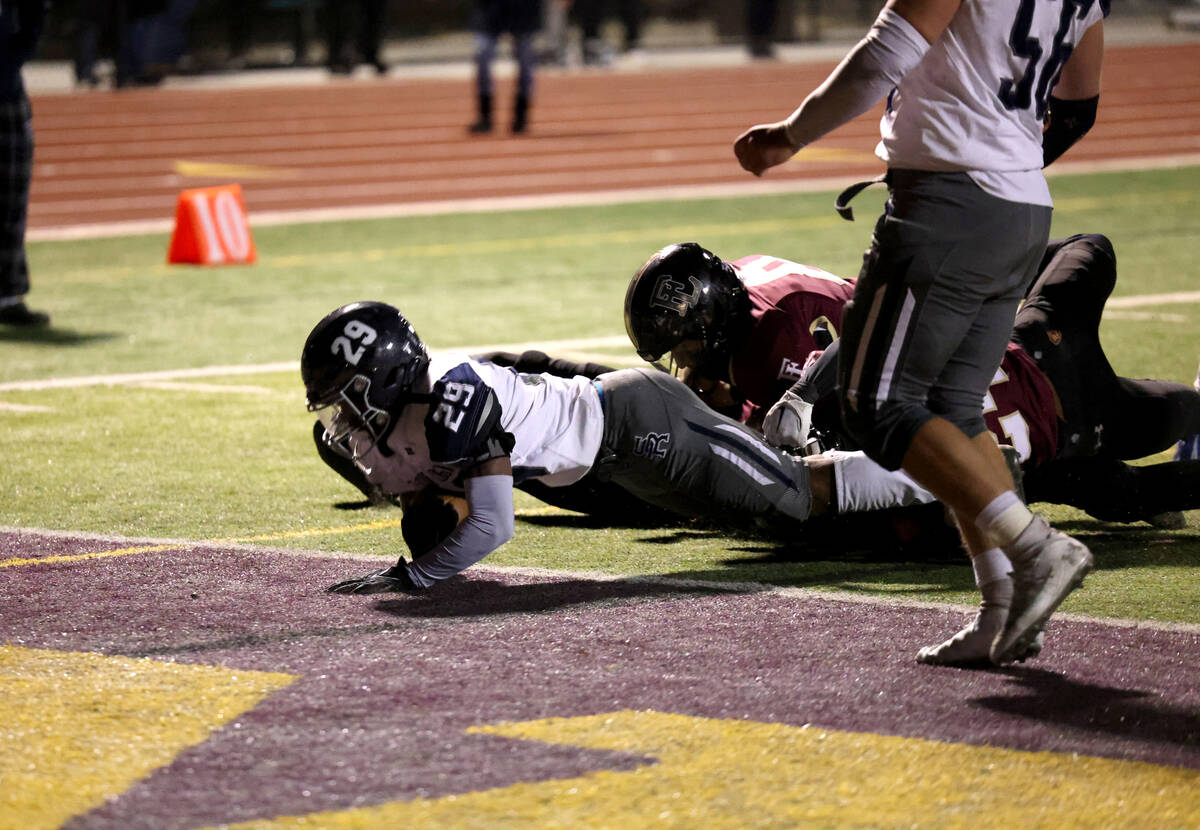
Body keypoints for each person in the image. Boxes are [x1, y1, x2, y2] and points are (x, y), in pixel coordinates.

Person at [733, 0, 1108, 666]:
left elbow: (884, 54)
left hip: (950, 203)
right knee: (952, 411)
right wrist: (1004, 161)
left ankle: (1035, 547)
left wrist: (788, 136)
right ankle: (1001, 605)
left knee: (877, 405)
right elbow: (1078, 106)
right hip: (1018, 204)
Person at [302, 302, 938, 595]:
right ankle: (936, 488)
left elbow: (494, 527)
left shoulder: (453, 401)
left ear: (380, 378)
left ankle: (960, 473)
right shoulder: (417, 407)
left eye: (345, 397)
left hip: (639, 422)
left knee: (797, 496)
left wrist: (417, 576)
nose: (343, 418)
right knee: (770, 506)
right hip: (616, 456)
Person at [624, 242, 855, 430]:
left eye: (685, 348)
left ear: (708, 319)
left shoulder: (765, 345)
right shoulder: (731, 285)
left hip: (875, 384)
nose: (682, 362)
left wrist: (746, 413)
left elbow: (811, 429)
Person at [1, 0, 49, 327]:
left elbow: (33, 17)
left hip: (5, 96)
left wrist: (8, 64)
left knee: (10, 202)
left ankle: (7, 296)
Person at [468, 0, 541, 134]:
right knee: (483, 56)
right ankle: (485, 117)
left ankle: (521, 117)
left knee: (525, 62)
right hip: (490, 9)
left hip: (524, 9)